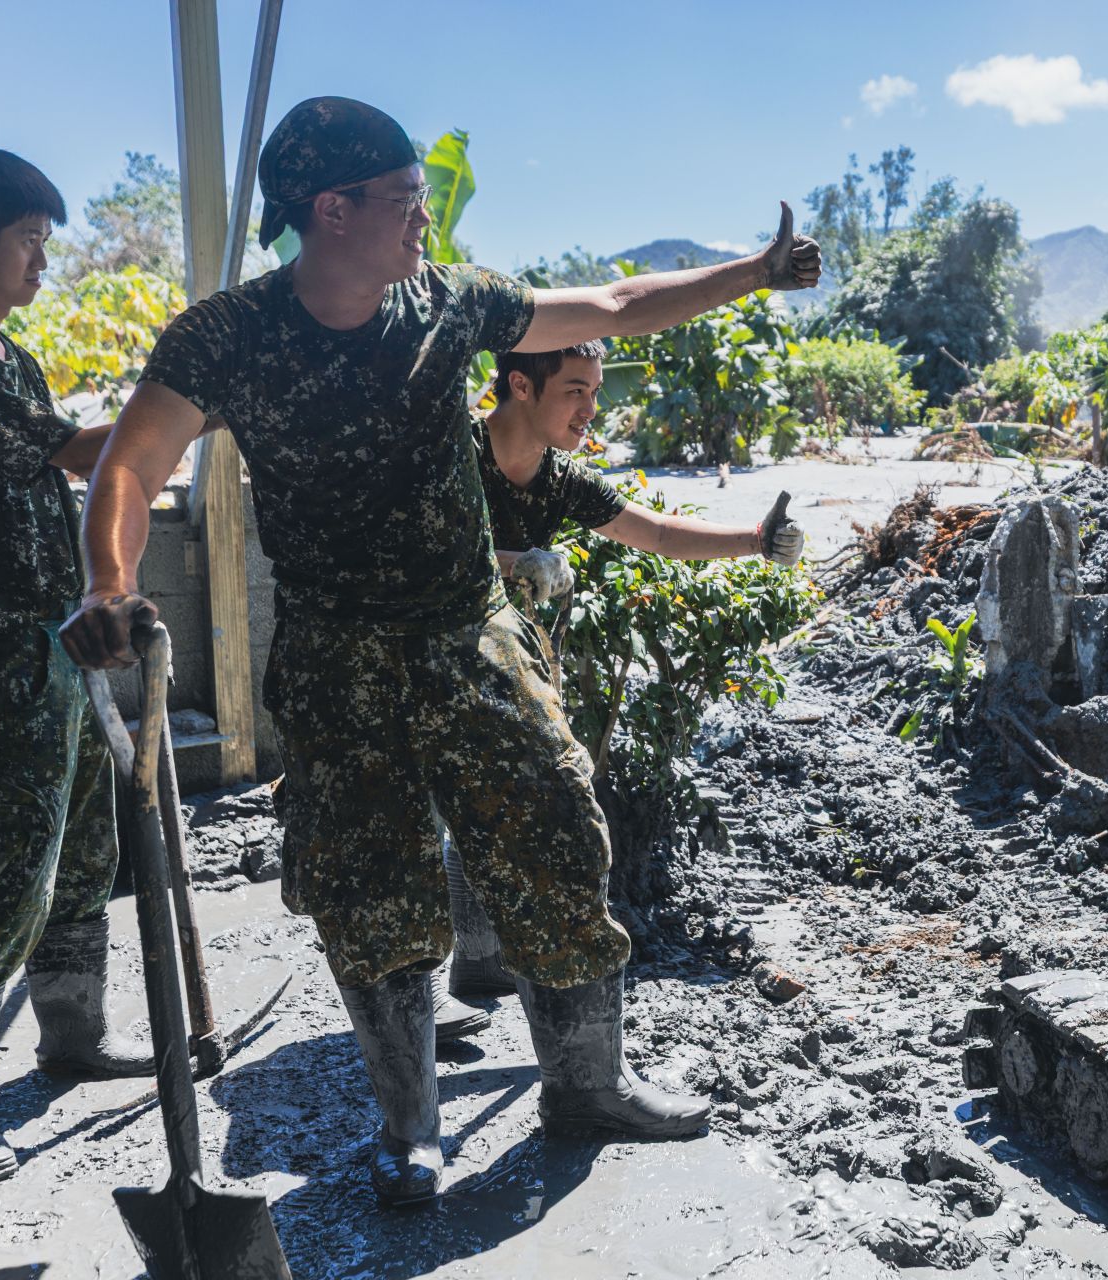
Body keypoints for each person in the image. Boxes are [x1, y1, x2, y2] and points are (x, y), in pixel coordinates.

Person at [57, 96, 819, 1207]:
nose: (425, 219)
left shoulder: (450, 303)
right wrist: (110, 583)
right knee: (370, 892)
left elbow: (608, 301)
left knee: (560, 830)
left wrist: (750, 273)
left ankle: (589, 1083)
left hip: (470, 633)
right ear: (335, 209)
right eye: (408, 200)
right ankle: (413, 1128)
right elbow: (130, 465)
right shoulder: (227, 337)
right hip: (335, 655)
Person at [0, 147, 155, 1186]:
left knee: (88, 847)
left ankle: (71, 1035)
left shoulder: (13, 359)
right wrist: (189, 406)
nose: (42, 262)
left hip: (60, 639)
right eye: (29, 240)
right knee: (15, 874)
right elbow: (74, 452)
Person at [441, 340, 804, 1002]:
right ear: (521, 386)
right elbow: (421, 551)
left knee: (485, 809)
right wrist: (515, 560)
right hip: (423, 654)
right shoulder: (452, 452)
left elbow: (658, 534)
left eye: (596, 391)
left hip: (508, 662)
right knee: (470, 809)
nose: (592, 409)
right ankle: (458, 1003)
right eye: (576, 390)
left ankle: (477, 963)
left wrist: (756, 541)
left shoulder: (558, 475)